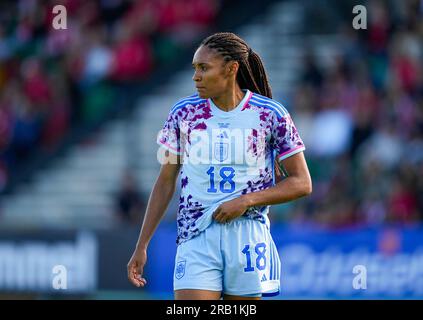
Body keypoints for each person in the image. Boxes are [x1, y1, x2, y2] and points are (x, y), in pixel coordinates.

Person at [127, 32, 312, 300]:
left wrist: (246, 201)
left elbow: (302, 182)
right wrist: (142, 244)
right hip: (196, 233)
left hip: (247, 235)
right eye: (194, 68)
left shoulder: (271, 114)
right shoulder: (183, 113)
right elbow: (166, 180)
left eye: (204, 68)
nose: (196, 77)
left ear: (231, 69)